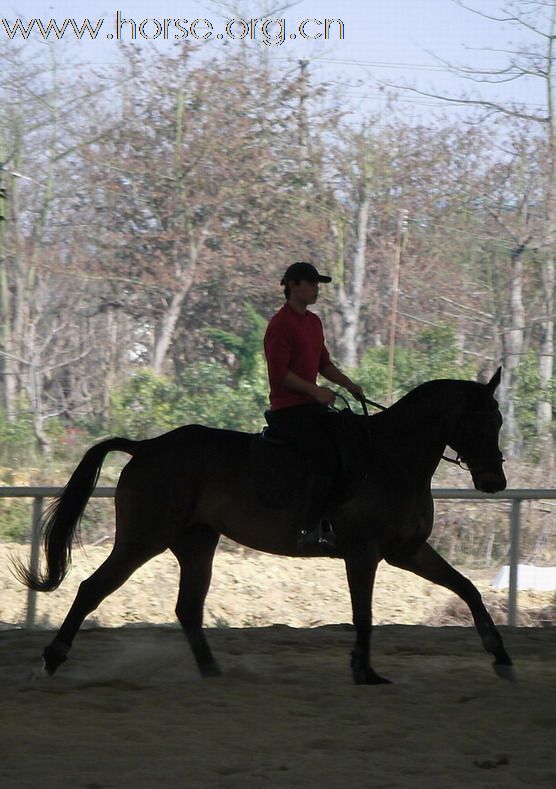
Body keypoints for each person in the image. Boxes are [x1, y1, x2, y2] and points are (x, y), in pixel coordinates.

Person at [263, 261, 364, 550]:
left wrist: (348, 384)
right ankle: (308, 528)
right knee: (324, 455)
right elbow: (279, 375)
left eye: (316, 285)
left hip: (311, 406)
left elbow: (324, 364)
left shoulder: (313, 322)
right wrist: (315, 391)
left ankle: (334, 519)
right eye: (310, 284)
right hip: (289, 409)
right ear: (292, 285)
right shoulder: (280, 325)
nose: (316, 289)